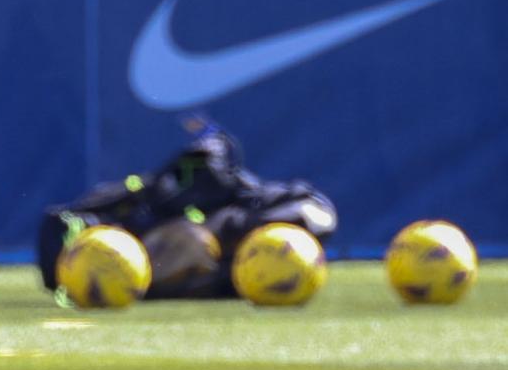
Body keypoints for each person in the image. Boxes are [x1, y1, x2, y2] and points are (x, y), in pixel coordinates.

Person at [36, 120, 337, 299]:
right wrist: (150, 190)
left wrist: (243, 194)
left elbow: (320, 214)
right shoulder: (136, 214)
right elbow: (58, 226)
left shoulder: (244, 216)